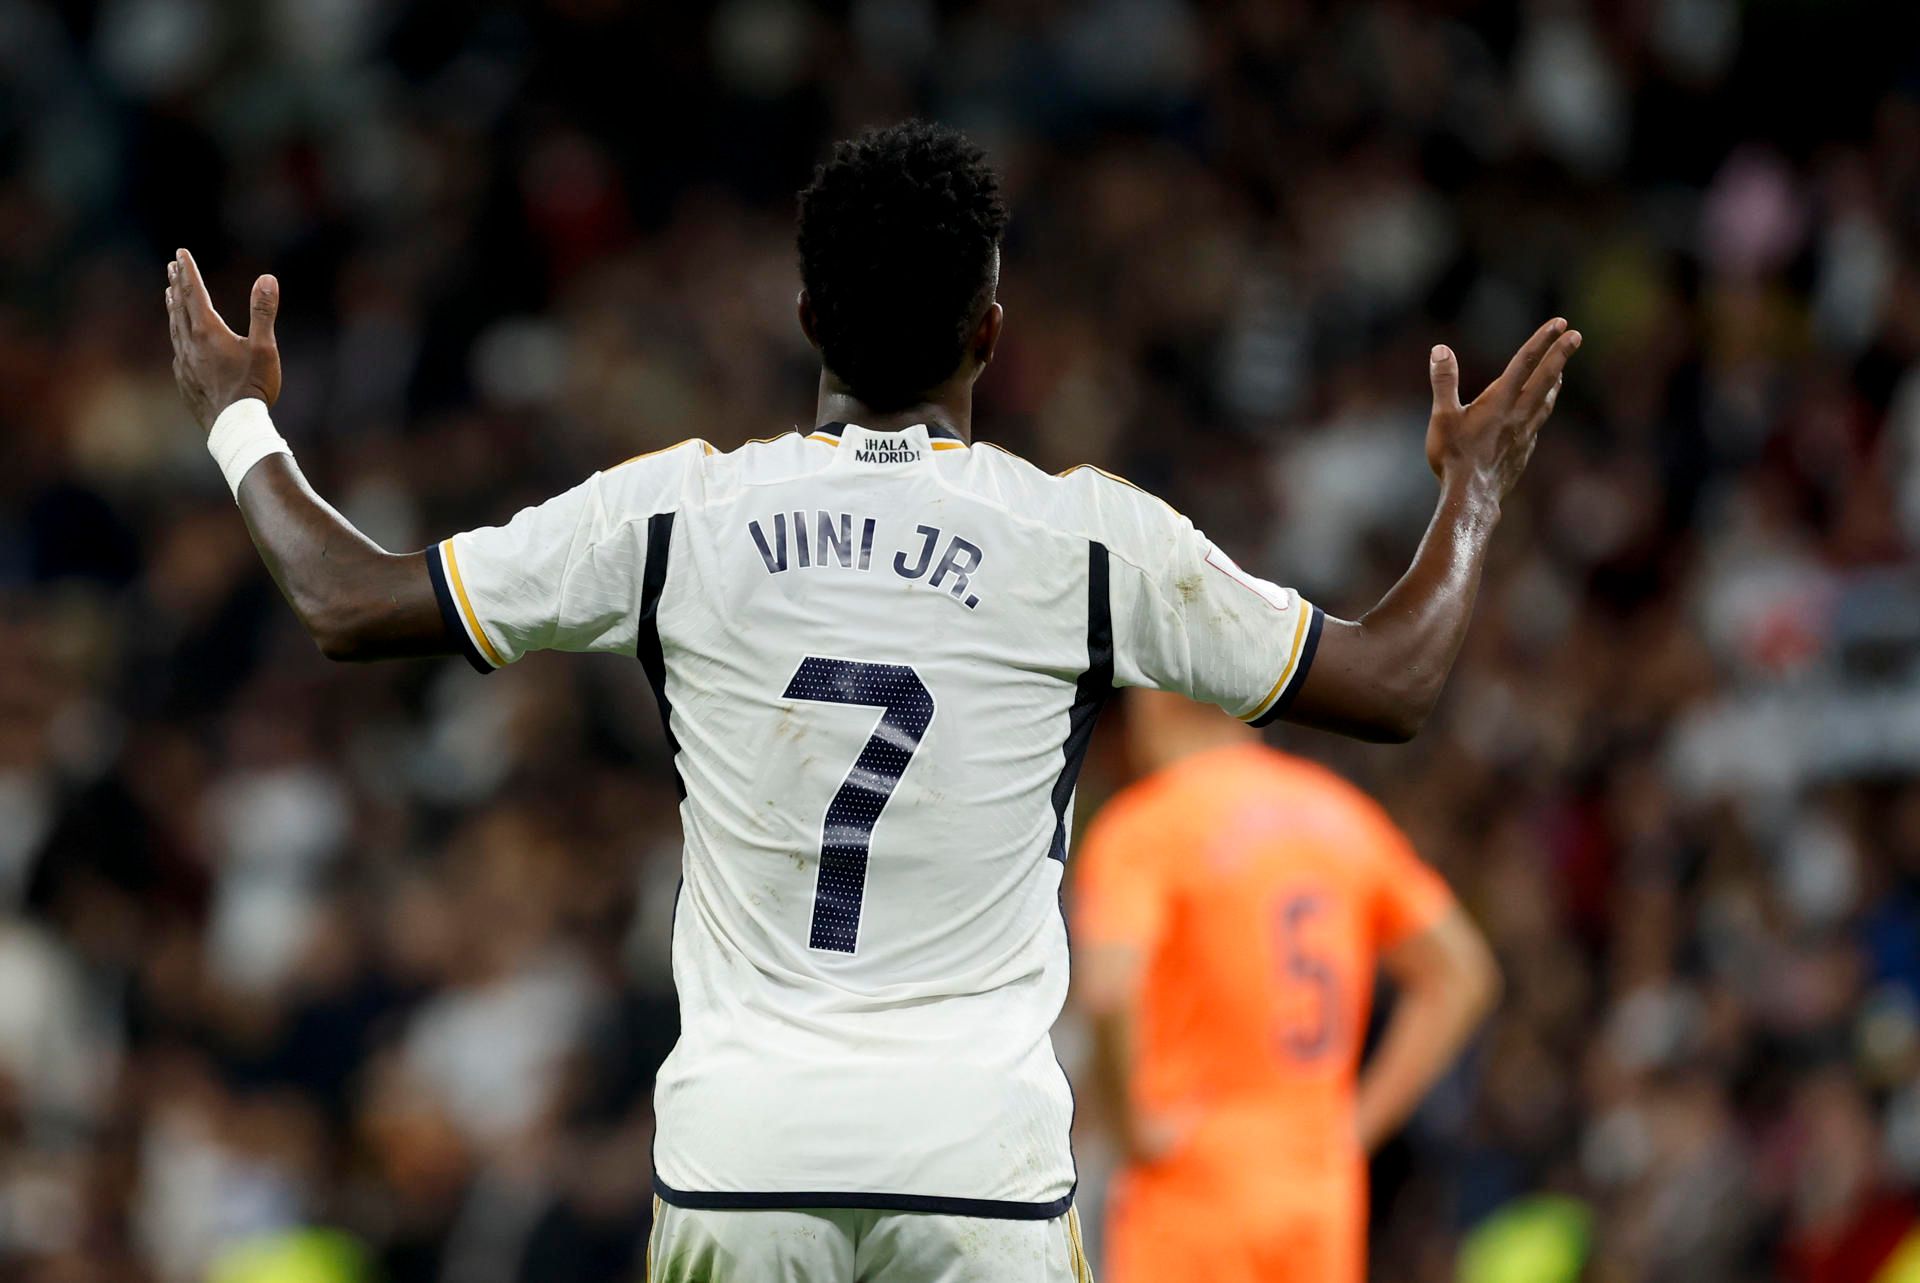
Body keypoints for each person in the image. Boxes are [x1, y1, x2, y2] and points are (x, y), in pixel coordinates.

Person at [163, 119, 1577, 1281]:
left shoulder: (678, 514)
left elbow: (348, 600)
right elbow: (1391, 678)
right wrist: (1476, 490)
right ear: (992, 329)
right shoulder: (1085, 538)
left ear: (804, 318)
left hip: (742, 1149)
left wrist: (238, 414)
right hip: (980, 1163)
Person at [1075, 689, 1501, 1283]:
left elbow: (1108, 989)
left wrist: (1131, 1130)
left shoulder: (1145, 828)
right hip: (1317, 1188)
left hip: (1194, 1185)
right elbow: (1461, 974)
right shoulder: (1339, 813)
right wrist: (1357, 1127)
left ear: (1156, 702)